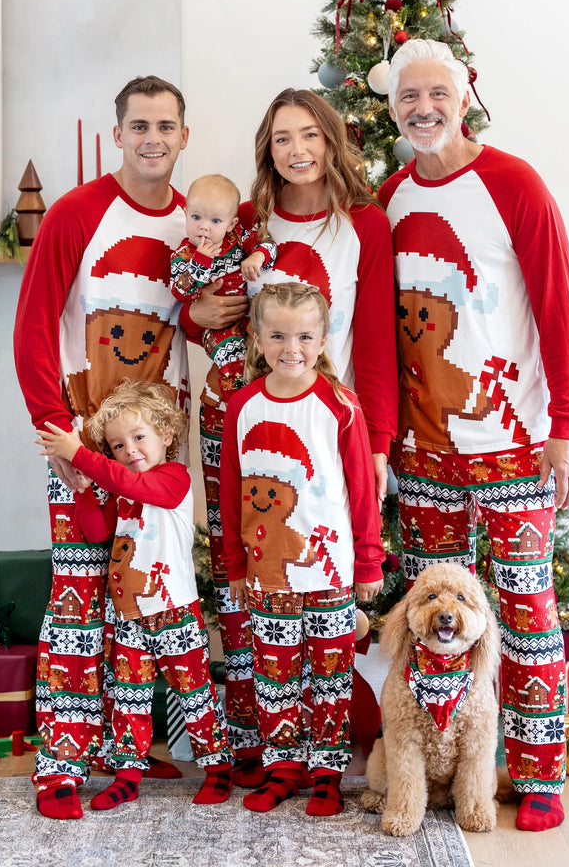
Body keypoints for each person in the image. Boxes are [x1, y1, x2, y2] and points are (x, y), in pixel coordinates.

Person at [380, 38, 569, 832]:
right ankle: (444, 772)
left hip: (513, 444)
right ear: (394, 107)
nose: (424, 109)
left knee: (528, 613)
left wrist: (567, 424)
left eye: (438, 94)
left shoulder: (515, 184)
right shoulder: (392, 199)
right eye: (409, 97)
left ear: (464, 98)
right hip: (424, 455)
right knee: (434, 622)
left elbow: (558, 307)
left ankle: (538, 775)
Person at [182, 89, 398, 780]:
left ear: (332, 141)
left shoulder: (363, 224)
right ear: (266, 150)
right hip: (239, 420)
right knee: (245, 568)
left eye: (309, 135)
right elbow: (201, 310)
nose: (297, 150)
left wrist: (377, 442)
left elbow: (375, 342)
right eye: (281, 138)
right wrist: (198, 313)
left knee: (317, 569)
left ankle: (323, 745)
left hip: (325, 426)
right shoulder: (248, 222)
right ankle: (254, 735)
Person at [14, 75, 190, 819]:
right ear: (117, 134)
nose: (153, 138)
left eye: (167, 126)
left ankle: (126, 751)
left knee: (140, 606)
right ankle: (58, 763)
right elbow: (31, 326)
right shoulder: (78, 214)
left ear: (184, 136)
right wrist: (54, 433)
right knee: (79, 602)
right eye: (140, 125)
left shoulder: (198, 224)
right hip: (80, 448)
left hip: (156, 461)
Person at [220, 283, 384, 815]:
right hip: (266, 574)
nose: (292, 347)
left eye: (305, 336)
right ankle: (283, 766)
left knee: (331, 675)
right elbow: (228, 492)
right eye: (278, 336)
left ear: (322, 338)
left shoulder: (340, 406)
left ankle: (327, 772)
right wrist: (235, 564)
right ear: (259, 338)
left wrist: (368, 560)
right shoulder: (241, 405)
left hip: (331, 571)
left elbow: (362, 490)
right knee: (274, 669)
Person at [35, 380, 234, 810]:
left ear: (166, 435)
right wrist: (86, 489)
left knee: (194, 694)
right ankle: (128, 773)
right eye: (118, 446)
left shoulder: (173, 479)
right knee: (129, 699)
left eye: (139, 437)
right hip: (127, 616)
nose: (130, 450)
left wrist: (79, 454)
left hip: (174, 612)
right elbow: (97, 531)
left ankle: (218, 768)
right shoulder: (121, 491)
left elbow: (138, 487)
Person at [170, 174, 276, 404]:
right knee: (229, 356)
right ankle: (236, 403)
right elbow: (181, 292)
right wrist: (200, 262)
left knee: (265, 353)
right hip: (216, 328)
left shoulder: (237, 238)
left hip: (247, 317)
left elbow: (268, 244)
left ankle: (267, 398)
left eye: (215, 221)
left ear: (232, 224)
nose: (204, 227)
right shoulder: (184, 254)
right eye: (196, 217)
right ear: (185, 214)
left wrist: (257, 256)